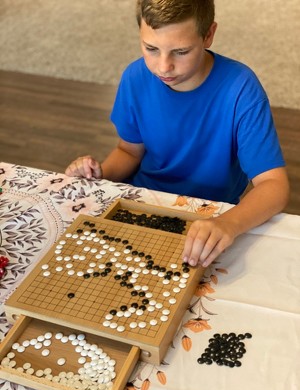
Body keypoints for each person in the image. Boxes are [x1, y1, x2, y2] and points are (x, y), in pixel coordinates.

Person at [65, 0, 289, 269]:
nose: (163, 67)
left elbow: (274, 185)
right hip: (143, 203)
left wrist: (228, 224)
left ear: (209, 35)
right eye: (150, 49)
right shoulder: (135, 77)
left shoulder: (241, 89)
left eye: (180, 51)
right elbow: (129, 151)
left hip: (210, 215)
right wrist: (100, 175)